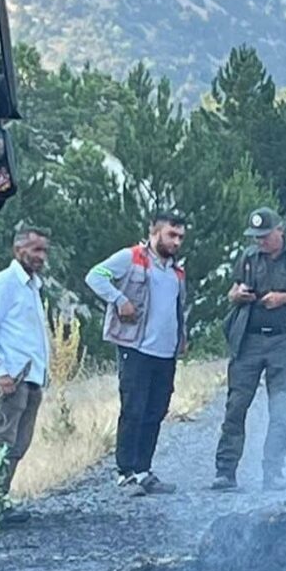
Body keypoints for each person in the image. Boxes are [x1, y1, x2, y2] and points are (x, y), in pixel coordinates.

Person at [211, 207, 286, 491]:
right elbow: (233, 289)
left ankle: (274, 471)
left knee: (281, 408)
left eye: (265, 235)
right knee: (236, 406)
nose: (260, 241)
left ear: (280, 230)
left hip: (284, 341)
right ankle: (225, 471)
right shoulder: (249, 257)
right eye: (255, 236)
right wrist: (237, 295)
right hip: (248, 340)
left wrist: (285, 298)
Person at [86, 211, 188, 498]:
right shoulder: (131, 258)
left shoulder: (177, 271)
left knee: (156, 411)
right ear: (155, 233)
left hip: (165, 352)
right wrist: (119, 300)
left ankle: (144, 470)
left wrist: (183, 337)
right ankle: (125, 473)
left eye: (180, 237)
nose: (176, 241)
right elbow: (95, 276)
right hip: (136, 347)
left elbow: (180, 307)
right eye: (171, 235)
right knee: (134, 409)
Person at [0, 225, 52, 522]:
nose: (41, 257)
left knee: (19, 444)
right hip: (10, 380)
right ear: (18, 250)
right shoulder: (5, 282)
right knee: (0, 441)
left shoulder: (33, 286)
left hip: (31, 379)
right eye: (36, 250)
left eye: (44, 251)